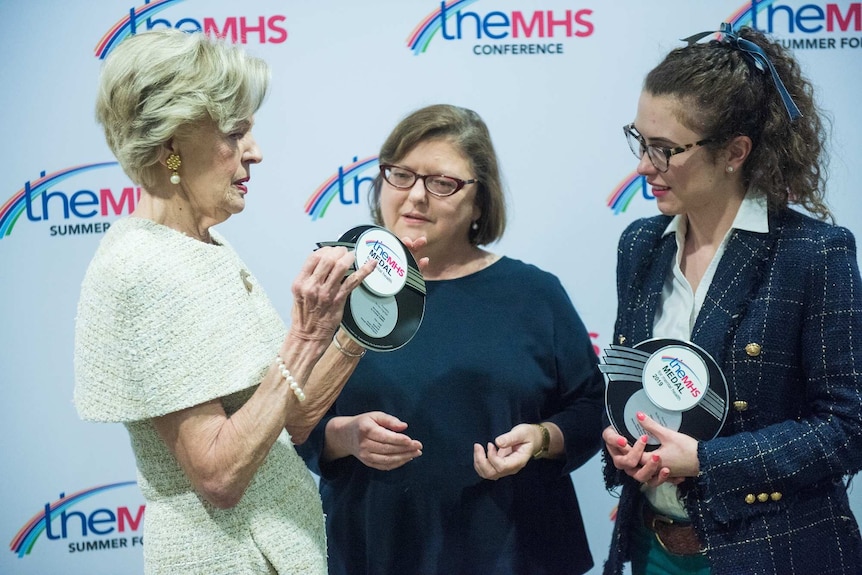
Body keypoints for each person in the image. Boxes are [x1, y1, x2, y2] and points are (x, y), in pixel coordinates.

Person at [73, 29, 377, 574]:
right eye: (235, 134)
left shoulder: (203, 245)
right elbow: (219, 474)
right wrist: (305, 339)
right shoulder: (145, 267)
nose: (254, 153)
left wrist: (357, 329)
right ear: (171, 147)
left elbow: (287, 421)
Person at [296, 103, 605, 575]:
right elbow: (294, 420)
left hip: (515, 551)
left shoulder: (533, 292)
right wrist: (343, 437)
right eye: (401, 176)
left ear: (480, 201)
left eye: (442, 184)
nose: (416, 197)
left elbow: (591, 406)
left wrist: (543, 437)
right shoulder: (337, 284)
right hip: (377, 548)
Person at [601, 23, 862, 575]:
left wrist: (706, 462)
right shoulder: (640, 246)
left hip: (772, 552)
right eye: (640, 141)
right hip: (649, 547)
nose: (644, 166)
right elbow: (636, 383)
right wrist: (627, 449)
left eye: (666, 150)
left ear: (735, 152)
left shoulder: (813, 253)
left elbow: (846, 427)